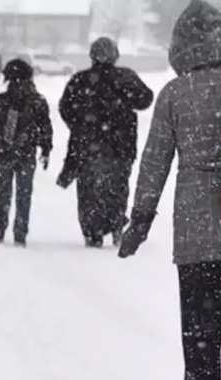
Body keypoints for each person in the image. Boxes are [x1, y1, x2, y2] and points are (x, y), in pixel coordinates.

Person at [118, 0, 221, 380]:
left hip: (196, 234)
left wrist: (140, 219)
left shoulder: (176, 94)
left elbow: (155, 161)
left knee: (200, 337)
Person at [57, 37, 154, 247]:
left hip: (87, 147)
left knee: (88, 191)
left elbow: (65, 108)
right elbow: (146, 99)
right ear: (115, 55)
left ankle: (93, 231)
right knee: (117, 188)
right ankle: (116, 223)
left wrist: (80, 124)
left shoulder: (80, 80)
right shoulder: (126, 77)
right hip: (121, 146)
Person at [0, 59, 53, 247]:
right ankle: (20, 231)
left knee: (3, 191)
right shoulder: (38, 102)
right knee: (24, 193)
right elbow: (45, 128)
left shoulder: (1, 101)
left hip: (5, 152)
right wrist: (45, 149)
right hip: (27, 153)